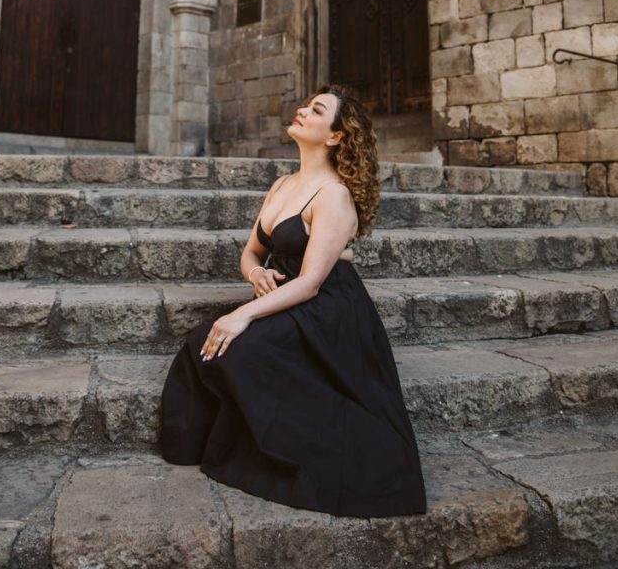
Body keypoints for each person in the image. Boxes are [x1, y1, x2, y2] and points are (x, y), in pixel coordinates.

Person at [160, 84, 426, 518]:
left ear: (336, 136)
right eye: (305, 105)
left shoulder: (335, 195)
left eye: (316, 109)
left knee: (238, 350)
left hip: (325, 311)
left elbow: (310, 284)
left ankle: (286, 453)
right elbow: (250, 252)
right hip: (285, 296)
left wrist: (241, 314)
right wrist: (257, 273)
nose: (302, 110)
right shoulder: (283, 183)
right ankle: (206, 444)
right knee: (201, 346)